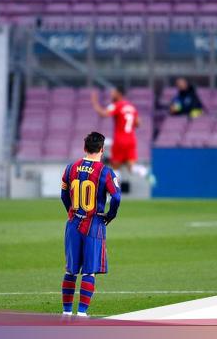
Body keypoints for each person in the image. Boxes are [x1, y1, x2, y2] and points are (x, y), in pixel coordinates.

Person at [60, 132, 121, 317]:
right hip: (93, 224)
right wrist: (110, 215)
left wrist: (71, 212)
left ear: (85, 148)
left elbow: (63, 195)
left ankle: (66, 312)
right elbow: (116, 196)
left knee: (70, 270)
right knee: (89, 271)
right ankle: (81, 313)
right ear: (102, 149)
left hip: (73, 224)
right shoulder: (105, 171)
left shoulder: (71, 168)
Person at [91, 86, 154, 184]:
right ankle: (144, 172)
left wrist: (95, 103)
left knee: (115, 166)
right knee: (131, 167)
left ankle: (113, 192)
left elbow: (104, 114)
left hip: (120, 140)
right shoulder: (131, 106)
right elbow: (138, 123)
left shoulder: (116, 105)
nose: (111, 95)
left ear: (119, 94)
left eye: (113, 93)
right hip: (131, 140)